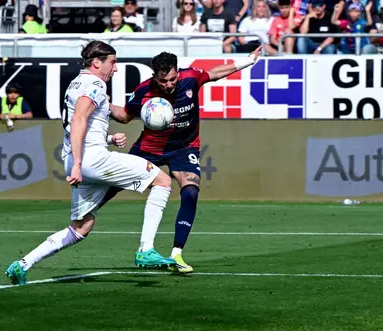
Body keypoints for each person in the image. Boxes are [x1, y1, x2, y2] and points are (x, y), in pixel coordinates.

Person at [5, 41, 175, 286]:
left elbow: (78, 125)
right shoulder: (94, 84)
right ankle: (145, 249)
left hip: (83, 159)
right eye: (113, 62)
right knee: (162, 181)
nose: (115, 69)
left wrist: (107, 138)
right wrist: (78, 163)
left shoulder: (76, 83)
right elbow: (78, 121)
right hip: (92, 160)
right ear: (97, 62)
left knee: (82, 226)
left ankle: (22, 265)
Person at [101, 48, 262, 274]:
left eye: (172, 78)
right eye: (163, 80)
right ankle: (83, 216)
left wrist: (247, 61)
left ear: (178, 72)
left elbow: (214, 73)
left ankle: (176, 253)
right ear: (155, 76)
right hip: (149, 148)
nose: (168, 84)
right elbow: (125, 116)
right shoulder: (144, 90)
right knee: (113, 186)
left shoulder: (190, 78)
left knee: (191, 192)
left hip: (184, 148)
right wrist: (104, 105)